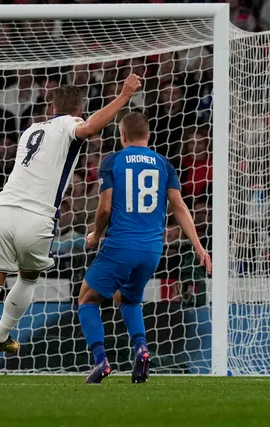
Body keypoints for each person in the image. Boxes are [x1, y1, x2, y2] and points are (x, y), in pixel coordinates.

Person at [0, 74, 143, 383]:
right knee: (27, 277)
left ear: (50, 105)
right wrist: (123, 97)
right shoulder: (69, 126)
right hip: (37, 217)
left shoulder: (31, 129)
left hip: (3, 210)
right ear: (79, 108)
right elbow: (90, 128)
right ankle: (2, 335)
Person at [79, 112, 212, 384]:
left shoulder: (113, 160)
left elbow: (104, 208)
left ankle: (101, 360)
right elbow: (179, 207)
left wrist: (95, 234)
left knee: (87, 299)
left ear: (122, 135)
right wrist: (199, 245)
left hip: (120, 245)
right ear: (149, 136)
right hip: (152, 250)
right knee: (128, 299)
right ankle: (141, 348)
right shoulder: (164, 163)